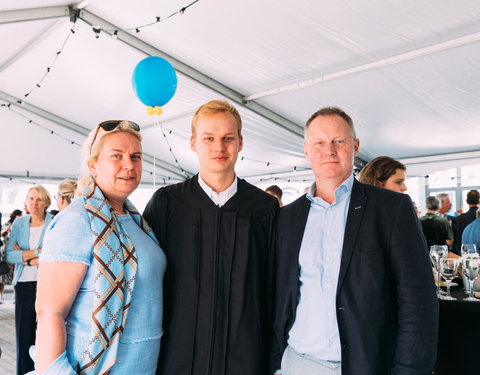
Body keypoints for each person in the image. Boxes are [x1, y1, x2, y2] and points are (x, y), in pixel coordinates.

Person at [271, 107, 438, 375]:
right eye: (319, 142)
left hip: (368, 365)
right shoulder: (287, 218)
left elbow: (418, 301)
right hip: (298, 363)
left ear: (355, 146)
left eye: (339, 141)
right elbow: (279, 298)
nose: (329, 150)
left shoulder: (391, 208)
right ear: (306, 150)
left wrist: (410, 370)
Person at [143, 100, 279, 375]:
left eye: (228, 138)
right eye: (209, 138)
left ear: (240, 142)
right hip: (178, 354)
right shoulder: (167, 203)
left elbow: (275, 286)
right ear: (193, 142)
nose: (219, 147)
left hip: (245, 356)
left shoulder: (264, 209)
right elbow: (146, 278)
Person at [35, 120, 166, 374]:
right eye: (116, 156)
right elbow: (50, 312)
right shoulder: (77, 220)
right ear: (93, 165)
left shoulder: (138, 221)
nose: (129, 165)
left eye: (135, 156)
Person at [6, 187, 53, 375]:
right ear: (26, 202)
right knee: (24, 334)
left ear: (47, 203)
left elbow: (52, 253)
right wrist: (36, 254)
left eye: (39, 199)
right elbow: (10, 254)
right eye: (31, 199)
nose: (35, 203)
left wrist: (24, 255)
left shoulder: (53, 223)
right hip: (24, 283)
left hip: (47, 283)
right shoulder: (19, 224)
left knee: (46, 333)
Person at [1, 209, 23, 302]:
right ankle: (1, 295)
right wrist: (5, 230)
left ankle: (15, 296)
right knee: (3, 275)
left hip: (16, 253)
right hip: (5, 253)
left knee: (16, 275)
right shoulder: (7, 225)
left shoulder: (21, 226)